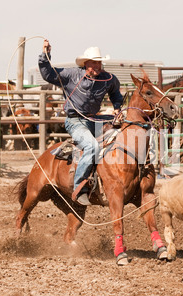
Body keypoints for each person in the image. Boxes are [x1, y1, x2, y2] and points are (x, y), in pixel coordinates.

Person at [39, 40, 124, 205]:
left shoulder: (108, 79)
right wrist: (45, 55)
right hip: (75, 120)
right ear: (86, 64)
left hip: (95, 118)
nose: (97, 66)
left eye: (99, 62)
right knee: (92, 146)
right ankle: (79, 187)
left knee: (124, 133)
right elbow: (48, 74)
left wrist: (117, 108)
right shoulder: (71, 75)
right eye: (94, 63)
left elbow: (115, 93)